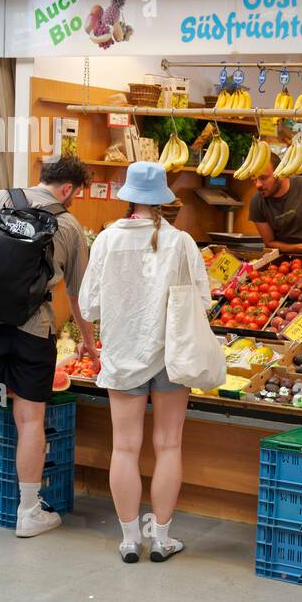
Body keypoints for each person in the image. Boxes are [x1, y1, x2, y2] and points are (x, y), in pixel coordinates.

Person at [0, 157, 95, 538]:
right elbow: (78, 296)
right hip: (33, 329)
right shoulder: (70, 226)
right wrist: (89, 342)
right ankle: (28, 512)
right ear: (68, 189)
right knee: (30, 420)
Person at [78, 162, 205, 562]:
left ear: (129, 196)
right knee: (168, 445)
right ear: (163, 200)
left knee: (125, 448)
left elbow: (89, 305)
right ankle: (162, 538)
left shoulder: (106, 240)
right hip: (171, 355)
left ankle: (130, 538)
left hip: (122, 354)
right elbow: (202, 301)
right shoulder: (181, 241)